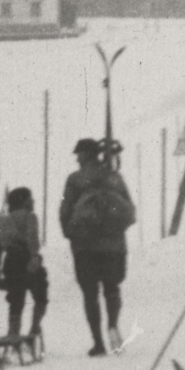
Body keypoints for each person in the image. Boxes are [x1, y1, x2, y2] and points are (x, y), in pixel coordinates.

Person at [59, 138, 135, 356]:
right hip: (114, 245)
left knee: (90, 294)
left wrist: (70, 232)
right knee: (112, 289)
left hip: (84, 246)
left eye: (79, 154)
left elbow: (65, 209)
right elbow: (128, 208)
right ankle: (112, 325)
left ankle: (98, 343)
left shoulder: (74, 179)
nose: (76, 158)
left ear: (86, 155)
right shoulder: (114, 177)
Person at [0, 187, 48, 340]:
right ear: (23, 201)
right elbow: (32, 240)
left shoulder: (5, 220)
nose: (33, 201)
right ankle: (35, 327)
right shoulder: (30, 217)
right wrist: (34, 260)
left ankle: (13, 332)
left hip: (11, 262)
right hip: (28, 260)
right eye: (30, 198)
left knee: (16, 301)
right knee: (40, 296)